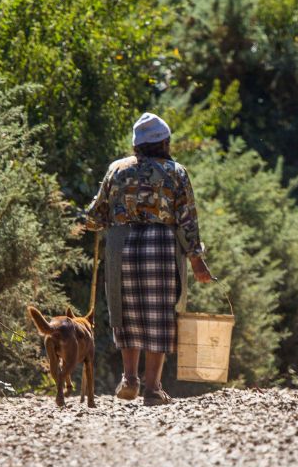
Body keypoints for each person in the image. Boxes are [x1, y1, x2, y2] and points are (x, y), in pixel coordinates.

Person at [84, 112, 212, 406]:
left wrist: (110, 217)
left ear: (136, 145)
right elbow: (187, 218)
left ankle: (129, 379)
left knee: (125, 312)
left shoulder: (116, 169)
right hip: (161, 245)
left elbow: (94, 217)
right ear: (164, 142)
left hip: (121, 244)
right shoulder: (176, 172)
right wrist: (196, 259)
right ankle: (153, 388)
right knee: (159, 315)